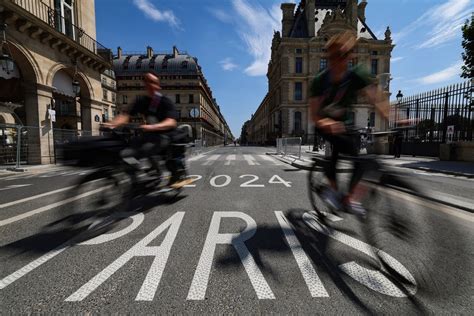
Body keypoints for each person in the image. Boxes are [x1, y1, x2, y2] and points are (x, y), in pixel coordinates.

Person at [309, 31, 390, 216]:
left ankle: (348, 198)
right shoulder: (320, 81)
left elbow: (376, 98)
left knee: (360, 159)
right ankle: (332, 190)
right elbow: (314, 115)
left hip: (344, 123)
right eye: (334, 56)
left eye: (344, 55)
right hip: (323, 123)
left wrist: (396, 116)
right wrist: (327, 123)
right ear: (328, 59)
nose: (339, 60)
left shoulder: (356, 74)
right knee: (337, 148)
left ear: (350, 56)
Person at [105, 72, 188, 188]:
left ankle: (156, 173)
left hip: (163, 136)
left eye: (153, 82)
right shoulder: (141, 101)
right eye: (147, 81)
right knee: (125, 152)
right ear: (144, 84)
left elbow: (171, 121)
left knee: (142, 150)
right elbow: (125, 115)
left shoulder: (165, 102)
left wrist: (152, 127)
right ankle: (137, 177)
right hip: (147, 135)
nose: (150, 85)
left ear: (158, 85)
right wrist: (111, 124)